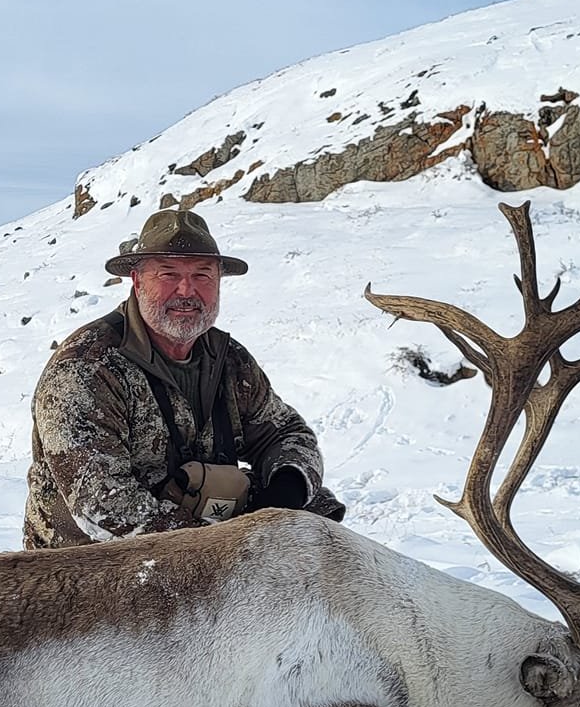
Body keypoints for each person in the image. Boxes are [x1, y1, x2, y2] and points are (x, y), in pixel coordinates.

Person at [23, 208, 345, 549]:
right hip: (90, 570)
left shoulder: (229, 359)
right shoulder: (85, 368)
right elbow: (105, 507)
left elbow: (286, 433)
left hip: (204, 547)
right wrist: (228, 544)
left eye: (203, 276)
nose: (186, 290)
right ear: (136, 279)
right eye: (168, 274)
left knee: (316, 514)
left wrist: (285, 492)